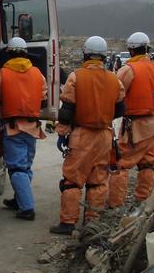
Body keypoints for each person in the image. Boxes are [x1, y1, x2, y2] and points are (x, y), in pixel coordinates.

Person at [49, 36, 125, 235]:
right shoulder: (114, 79)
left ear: (85, 53)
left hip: (82, 134)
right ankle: (92, 222)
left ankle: (68, 223)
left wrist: (62, 133)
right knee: (98, 181)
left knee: (72, 180)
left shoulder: (76, 77)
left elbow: (67, 110)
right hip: (104, 136)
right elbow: (120, 109)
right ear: (103, 55)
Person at [0, 37, 47, 220]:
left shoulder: (2, 74)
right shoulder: (38, 74)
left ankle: (27, 208)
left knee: (17, 168)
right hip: (32, 128)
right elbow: (43, 101)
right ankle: (19, 199)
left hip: (13, 128)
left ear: (9, 53)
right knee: (25, 166)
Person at [108, 31, 154, 208]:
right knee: (147, 164)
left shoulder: (128, 70)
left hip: (135, 125)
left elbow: (115, 94)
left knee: (121, 163)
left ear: (131, 50)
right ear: (147, 48)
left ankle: (115, 204)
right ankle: (144, 200)